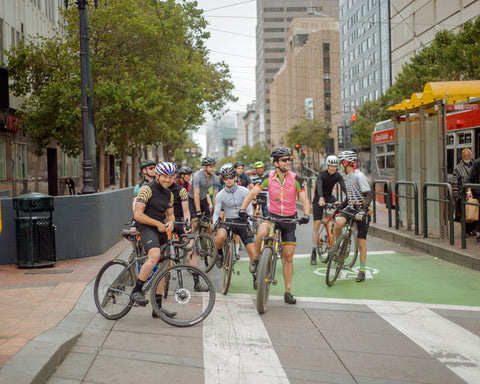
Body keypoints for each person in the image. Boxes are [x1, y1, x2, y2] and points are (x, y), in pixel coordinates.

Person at [239, 147, 311, 304]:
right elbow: (251, 194)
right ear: (276, 163)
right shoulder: (268, 177)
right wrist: (242, 209)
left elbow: (304, 199)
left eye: (289, 159)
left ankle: (287, 291)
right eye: (285, 160)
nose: (288, 162)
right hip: (272, 215)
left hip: (289, 219)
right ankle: (257, 260)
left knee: (288, 256)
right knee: (261, 232)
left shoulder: (296, 179)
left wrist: (306, 214)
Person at [131, 162, 177, 318]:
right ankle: (136, 290)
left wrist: (171, 222)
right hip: (146, 227)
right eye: (164, 176)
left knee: (164, 268)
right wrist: (158, 223)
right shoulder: (146, 189)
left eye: (171, 177)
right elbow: (138, 214)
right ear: (157, 175)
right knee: (155, 255)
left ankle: (157, 309)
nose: (167, 180)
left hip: (161, 229)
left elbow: (170, 215)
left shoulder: (169, 194)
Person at [333, 151, 373, 283]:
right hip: (351, 207)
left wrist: (363, 210)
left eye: (340, 163)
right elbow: (351, 195)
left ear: (345, 163)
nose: (339, 165)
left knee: (361, 241)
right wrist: (341, 204)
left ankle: (362, 270)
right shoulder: (348, 176)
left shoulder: (359, 177)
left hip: (362, 209)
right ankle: (338, 248)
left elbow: (368, 195)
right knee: (338, 223)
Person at [212, 166, 256, 283]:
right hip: (229, 221)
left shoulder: (244, 191)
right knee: (219, 237)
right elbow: (216, 213)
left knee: (252, 251)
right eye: (226, 178)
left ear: (235, 178)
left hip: (243, 221)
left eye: (231, 177)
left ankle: (255, 275)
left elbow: (250, 211)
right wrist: (214, 223)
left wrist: (250, 224)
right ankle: (220, 254)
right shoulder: (220, 195)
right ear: (223, 180)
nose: (228, 180)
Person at [168, 165, 208, 293]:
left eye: (171, 176)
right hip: (165, 221)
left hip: (179, 220)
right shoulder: (159, 189)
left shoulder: (181, 189)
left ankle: (197, 282)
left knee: (192, 249)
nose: (168, 179)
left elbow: (186, 211)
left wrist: (187, 225)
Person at [310, 155, 347, 265]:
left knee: (339, 206)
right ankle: (313, 251)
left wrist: (349, 197)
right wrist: (321, 198)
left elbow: (343, 187)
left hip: (329, 197)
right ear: (327, 166)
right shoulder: (322, 175)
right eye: (331, 166)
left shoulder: (338, 176)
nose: (333, 169)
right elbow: (319, 186)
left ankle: (334, 239)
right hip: (318, 198)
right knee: (317, 223)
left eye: (335, 166)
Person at [188, 157, 220, 235]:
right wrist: (198, 210)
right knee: (195, 225)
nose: (213, 169)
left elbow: (215, 196)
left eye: (214, 167)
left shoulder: (216, 178)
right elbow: (196, 194)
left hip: (203, 199)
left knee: (208, 225)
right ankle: (190, 242)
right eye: (211, 167)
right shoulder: (197, 176)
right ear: (205, 167)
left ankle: (212, 246)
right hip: (192, 199)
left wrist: (215, 210)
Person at [452, 149, 476, 234]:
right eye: (465, 155)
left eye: (468, 155)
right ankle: (465, 231)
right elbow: (454, 182)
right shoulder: (458, 168)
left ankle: (472, 229)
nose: (467, 157)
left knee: (473, 212)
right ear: (462, 156)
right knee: (463, 214)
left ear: (471, 155)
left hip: (474, 195)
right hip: (462, 195)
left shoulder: (475, 165)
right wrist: (456, 196)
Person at [466, 157, 480, 242]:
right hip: (478, 193)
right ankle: (479, 234)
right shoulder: (477, 163)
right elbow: (469, 178)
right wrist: (469, 191)